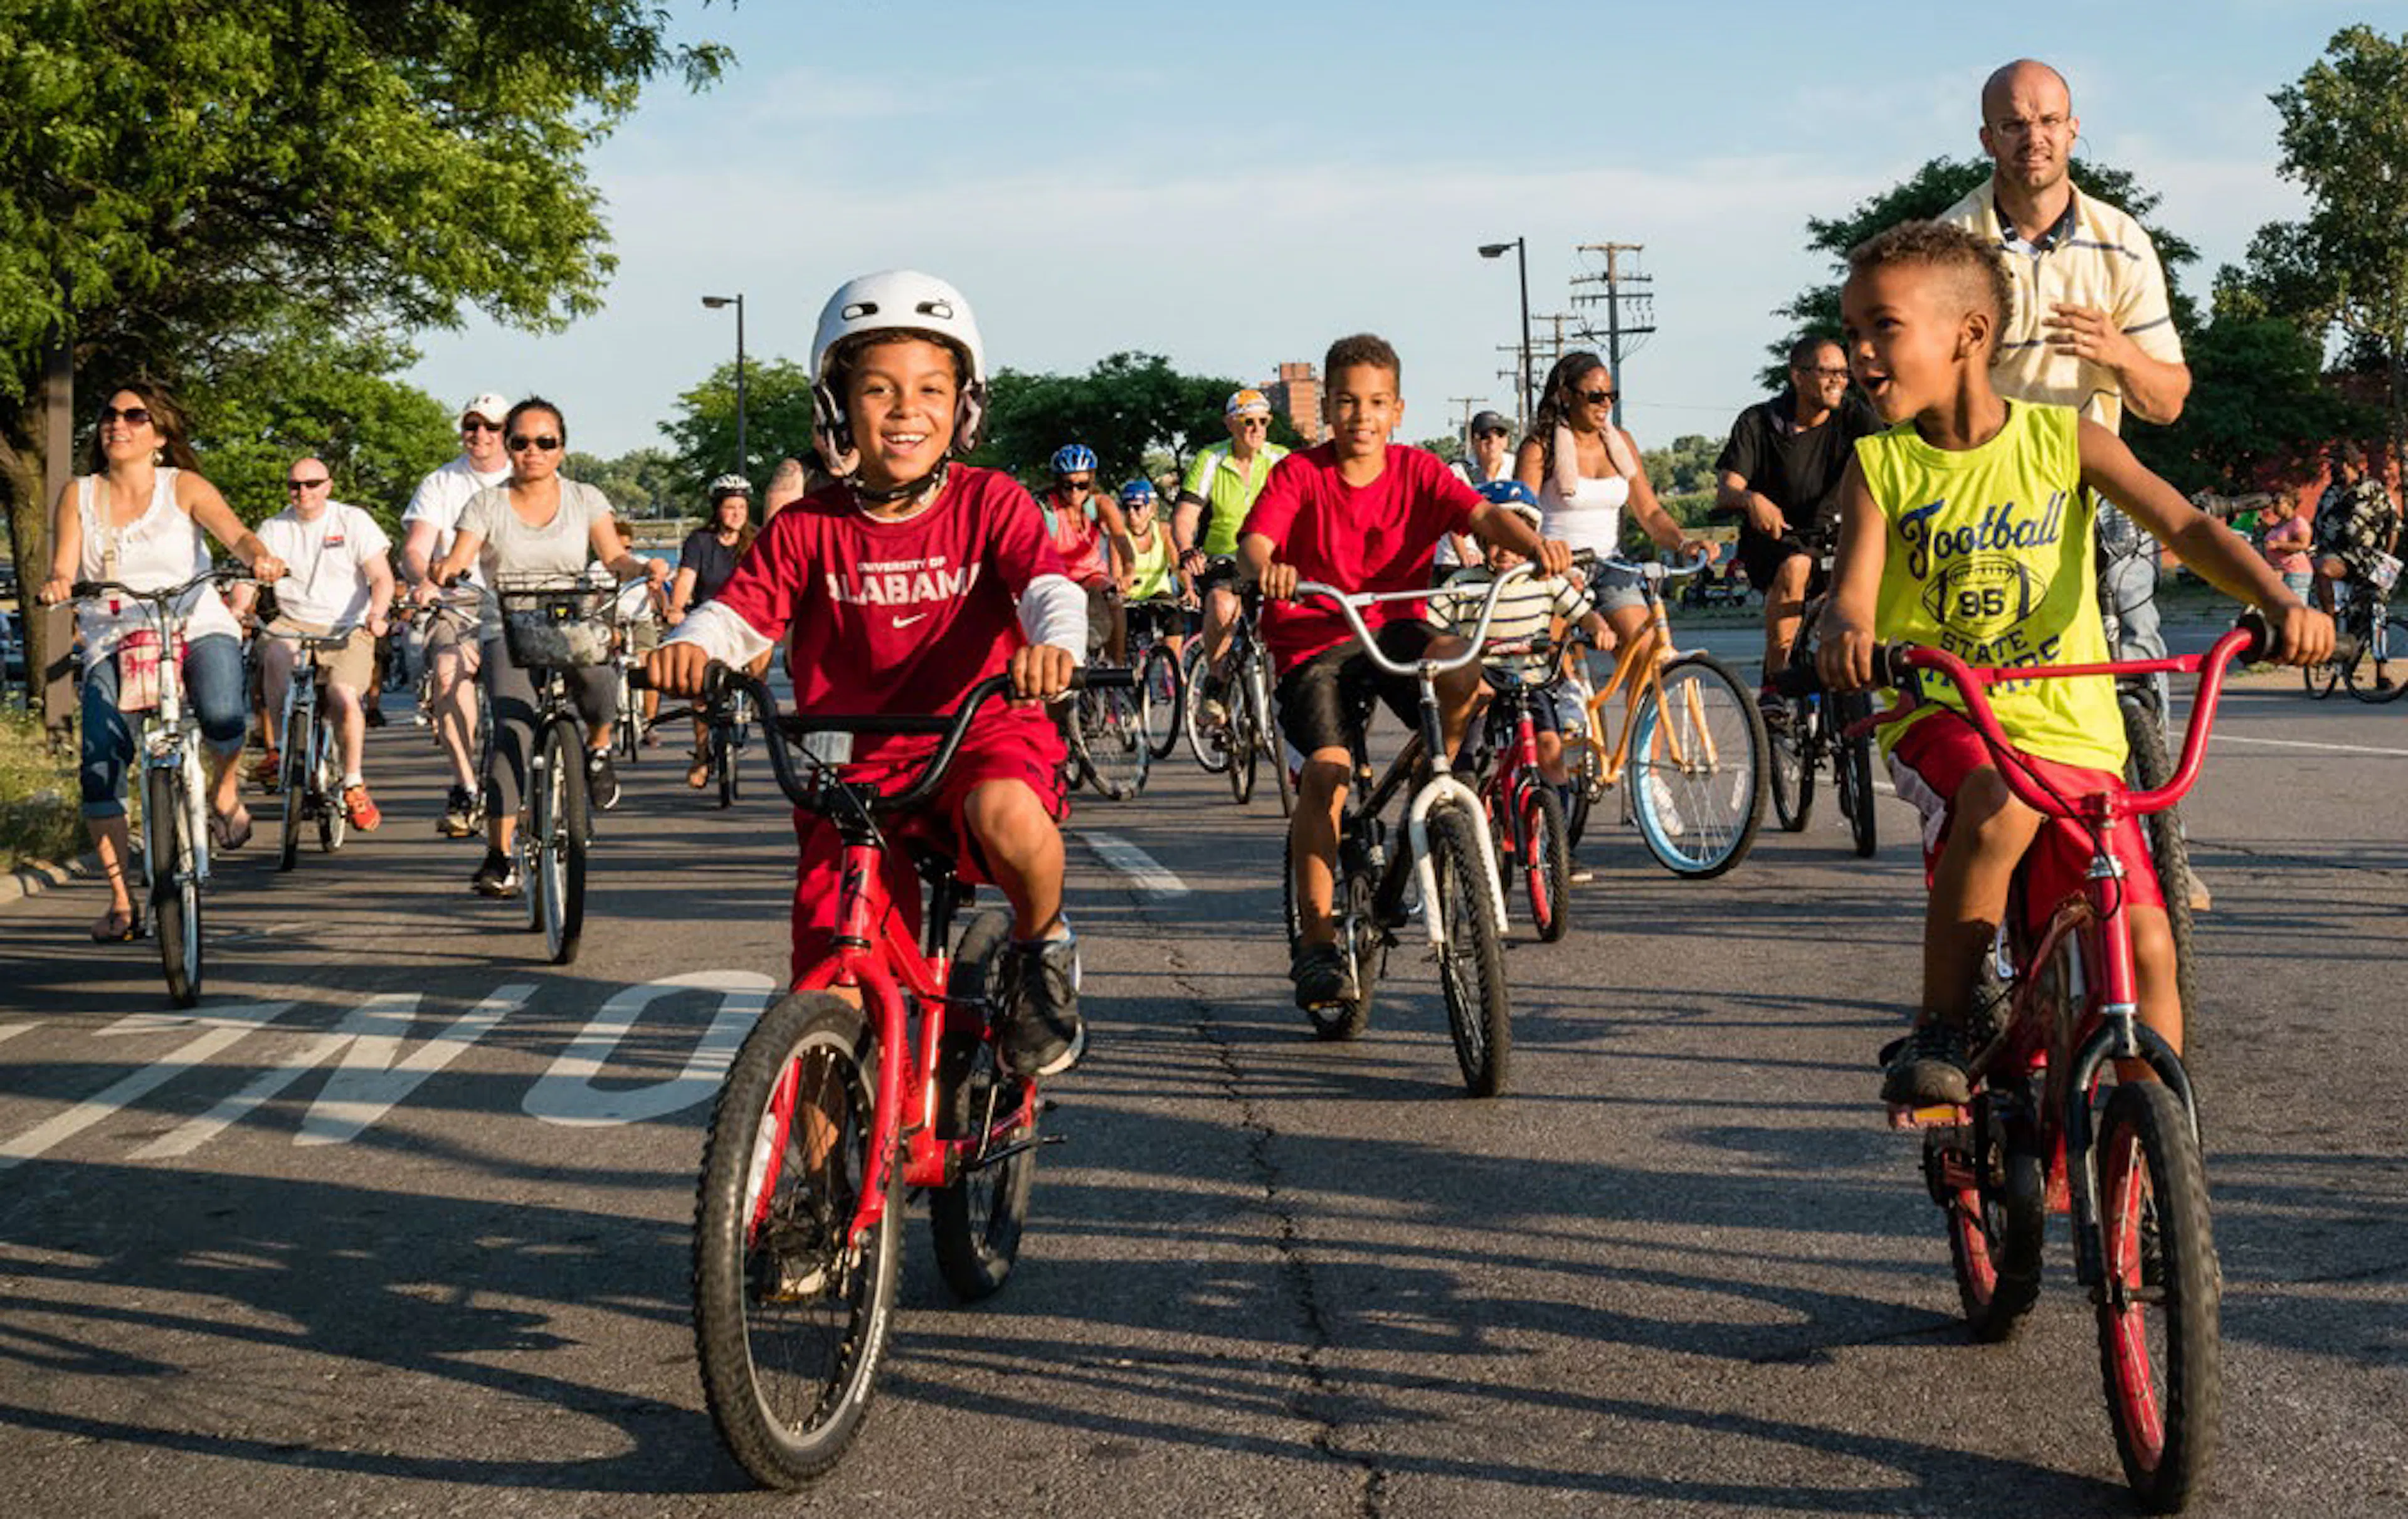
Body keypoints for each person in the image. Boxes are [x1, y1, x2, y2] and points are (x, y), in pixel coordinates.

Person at [1815, 221, 2328, 1108]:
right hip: (1947, 716)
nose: (1859, 352)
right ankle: (1942, 1021)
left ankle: (2156, 1160)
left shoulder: (2065, 439)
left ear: (1968, 334)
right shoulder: (1881, 465)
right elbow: (1853, 593)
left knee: (2149, 940)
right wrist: (1848, 631)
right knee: (1999, 805)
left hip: (2074, 728)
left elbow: (2188, 527)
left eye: (1881, 328)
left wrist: (2281, 600)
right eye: (1853, 331)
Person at [646, 270, 1091, 1080]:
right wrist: (694, 643)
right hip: (850, 762)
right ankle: (807, 1201)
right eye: (878, 390)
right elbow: (741, 611)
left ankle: (1043, 945)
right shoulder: (808, 526)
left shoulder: (991, 500)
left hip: (978, 735)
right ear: (837, 407)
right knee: (829, 981)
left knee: (1007, 814)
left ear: (964, 404)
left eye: (930, 388)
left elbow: (1047, 585)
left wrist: (1055, 645)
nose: (905, 409)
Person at [1940, 57, 2205, 908]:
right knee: (1986, 702)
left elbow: (2167, 400)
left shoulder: (2121, 241)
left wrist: (2118, 351)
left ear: (2074, 128)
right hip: (1987, 507)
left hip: (2096, 491)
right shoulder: (1953, 246)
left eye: (2049, 120)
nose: (2034, 137)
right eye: (2015, 123)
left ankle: (2162, 848)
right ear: (1988, 137)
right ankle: (1988, 875)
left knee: (2134, 669)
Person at [1242, 333, 1570, 1009]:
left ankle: (1437, 771)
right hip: (1314, 640)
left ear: (1398, 410)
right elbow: (1255, 543)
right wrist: (1269, 567)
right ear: (1326, 409)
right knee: (1330, 774)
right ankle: (1316, 940)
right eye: (1347, 402)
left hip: (1392, 628)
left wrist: (1537, 546)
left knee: (1461, 666)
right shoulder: (1298, 475)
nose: (1361, 416)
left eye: (1376, 403)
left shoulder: (1419, 470)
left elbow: (1480, 513)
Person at [36, 384, 288, 943]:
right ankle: (122, 900)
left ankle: (224, 787)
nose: (117, 424)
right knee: (100, 766)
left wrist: (259, 558)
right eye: (109, 415)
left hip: (194, 624)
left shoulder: (185, 487)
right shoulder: (78, 494)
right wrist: (58, 581)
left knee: (224, 714)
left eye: (134, 415)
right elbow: (64, 563)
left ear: (160, 436)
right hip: (115, 637)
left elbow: (237, 535)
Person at [422, 398, 668, 897]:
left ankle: (598, 751)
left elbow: (614, 556)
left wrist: (644, 568)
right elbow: (462, 554)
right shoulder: (486, 503)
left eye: (545, 442)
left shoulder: (584, 498)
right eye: (521, 442)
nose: (533, 451)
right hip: (507, 625)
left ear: (562, 449)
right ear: (508, 448)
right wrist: (446, 570)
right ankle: (499, 855)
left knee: (599, 680)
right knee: (511, 729)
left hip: (569, 618)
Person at [1712, 336, 1879, 700]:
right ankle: (1777, 683)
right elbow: (1726, 488)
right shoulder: (1759, 422)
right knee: (1797, 567)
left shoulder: (1855, 418)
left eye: (1843, 372)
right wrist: (1751, 499)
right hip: (1777, 540)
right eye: (1827, 372)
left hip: (1838, 535)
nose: (1838, 380)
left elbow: (1890, 467)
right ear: (1798, 377)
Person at [240, 457, 394, 830]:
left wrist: (377, 614)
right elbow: (250, 576)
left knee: (343, 697)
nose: (302, 492)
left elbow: (381, 577)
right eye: (295, 485)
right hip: (294, 620)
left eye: (312, 484)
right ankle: (277, 749)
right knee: (275, 651)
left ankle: (354, 782)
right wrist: (238, 606)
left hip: (348, 626)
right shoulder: (274, 528)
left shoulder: (352, 521)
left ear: (329, 486)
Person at [1430, 482, 1603, 797]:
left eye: (1514, 540)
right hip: (1482, 680)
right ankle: (1459, 791)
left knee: (1550, 748)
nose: (1505, 550)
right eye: (1495, 541)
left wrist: (1598, 627)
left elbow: (1581, 613)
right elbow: (1430, 626)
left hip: (1531, 679)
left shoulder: (1544, 581)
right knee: (1465, 748)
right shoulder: (1463, 584)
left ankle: (1557, 833)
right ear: (1480, 541)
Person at [401, 393, 512, 838]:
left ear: (507, 432)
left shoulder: (527, 478)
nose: (480, 435)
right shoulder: (440, 483)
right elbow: (416, 547)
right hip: (458, 598)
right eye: (471, 426)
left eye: (491, 427)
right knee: (447, 672)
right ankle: (467, 785)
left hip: (514, 599)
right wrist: (423, 580)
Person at [1177, 389, 1291, 713]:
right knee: (1222, 607)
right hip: (1223, 559)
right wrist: (1187, 551)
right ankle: (1216, 683)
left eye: (1263, 421)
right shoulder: (1211, 459)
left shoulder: (1281, 459)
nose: (1256, 429)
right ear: (1230, 424)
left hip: (1271, 560)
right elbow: (1185, 516)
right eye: (1248, 421)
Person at [666, 474, 763, 788]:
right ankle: (702, 753)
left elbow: (766, 584)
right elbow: (685, 579)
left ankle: (754, 698)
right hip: (708, 618)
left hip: (745, 618)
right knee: (700, 689)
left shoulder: (757, 541)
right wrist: (676, 608)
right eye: (729, 507)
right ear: (717, 510)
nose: (736, 513)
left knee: (763, 645)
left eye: (741, 507)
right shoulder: (700, 541)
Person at [1035, 444, 1136, 664]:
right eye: (1067, 485)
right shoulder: (1045, 509)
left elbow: (1122, 542)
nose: (1075, 492)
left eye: (1082, 485)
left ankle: (1116, 671)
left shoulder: (1101, 505)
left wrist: (1128, 572)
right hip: (1057, 580)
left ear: (1092, 481)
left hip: (1090, 576)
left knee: (1114, 601)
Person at [2310, 440, 2402, 619]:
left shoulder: (2372, 489)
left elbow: (2393, 525)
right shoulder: (2331, 492)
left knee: (2372, 614)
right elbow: (2319, 525)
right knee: (2321, 570)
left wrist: (2387, 559)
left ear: (2346, 463)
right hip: (2336, 556)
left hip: (2367, 558)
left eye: (2335, 464)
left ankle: (2339, 625)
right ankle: (2331, 621)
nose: (2332, 469)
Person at [1439, 409, 1515, 578]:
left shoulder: (1515, 467)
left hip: (1497, 557)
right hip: (1455, 560)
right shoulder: (1457, 472)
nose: (1493, 441)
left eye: (1500, 434)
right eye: (1485, 436)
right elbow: (1453, 519)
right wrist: (1464, 555)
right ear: (1474, 441)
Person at [2256, 494, 2314, 603]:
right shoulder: (2281, 524)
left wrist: (2279, 545)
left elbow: (2303, 545)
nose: (2274, 508)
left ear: (2289, 504)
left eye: (2277, 503)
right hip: (2280, 572)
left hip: (2295, 572)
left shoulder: (2298, 522)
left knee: (2295, 608)